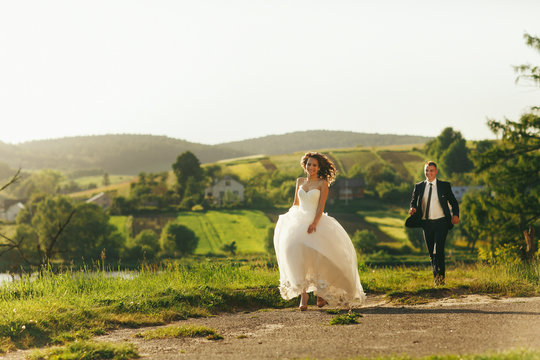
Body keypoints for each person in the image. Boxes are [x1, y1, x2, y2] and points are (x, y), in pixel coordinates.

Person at [273, 152, 366, 310]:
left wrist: (315, 223)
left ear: (319, 167)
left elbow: (321, 206)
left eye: (315, 165)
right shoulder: (300, 181)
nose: (311, 167)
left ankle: (320, 294)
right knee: (298, 255)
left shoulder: (323, 183)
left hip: (316, 220)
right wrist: (290, 219)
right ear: (305, 165)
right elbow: (295, 203)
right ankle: (303, 295)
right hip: (298, 221)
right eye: (309, 164)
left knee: (319, 256)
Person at [408, 161, 459, 286]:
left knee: (438, 252)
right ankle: (437, 279)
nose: (428, 173)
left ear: (436, 172)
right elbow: (413, 202)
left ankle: (440, 281)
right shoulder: (419, 186)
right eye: (426, 170)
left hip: (441, 222)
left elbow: (454, 202)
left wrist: (455, 215)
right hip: (426, 223)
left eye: (431, 170)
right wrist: (412, 209)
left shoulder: (444, 186)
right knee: (432, 254)